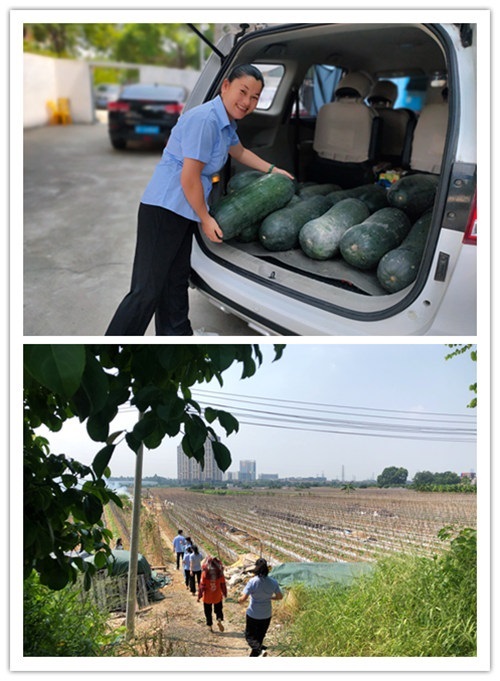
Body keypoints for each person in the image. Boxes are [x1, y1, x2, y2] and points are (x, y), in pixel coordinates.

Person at [105, 63, 294, 336]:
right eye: (243, 91)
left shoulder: (225, 122)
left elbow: (239, 152)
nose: (247, 102)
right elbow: (189, 178)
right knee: (146, 291)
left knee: (175, 280)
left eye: (255, 97)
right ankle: (110, 354)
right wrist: (206, 219)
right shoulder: (205, 120)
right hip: (165, 208)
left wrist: (273, 170)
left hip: (184, 210)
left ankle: (178, 337)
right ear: (225, 86)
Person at [238, 558, 283, 657]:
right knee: (259, 637)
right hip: (266, 614)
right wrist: (270, 597)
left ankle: (260, 650)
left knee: (249, 636)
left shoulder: (253, 582)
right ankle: (259, 652)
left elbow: (243, 598)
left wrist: (239, 600)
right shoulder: (273, 582)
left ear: (256, 567)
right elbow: (280, 597)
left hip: (253, 614)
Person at [197, 556, 227, 632]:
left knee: (208, 612)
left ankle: (210, 626)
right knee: (218, 609)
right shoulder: (220, 574)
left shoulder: (204, 574)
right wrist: (224, 593)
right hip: (217, 596)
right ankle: (219, 619)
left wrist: (199, 596)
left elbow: (202, 586)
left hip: (207, 597)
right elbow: (223, 584)